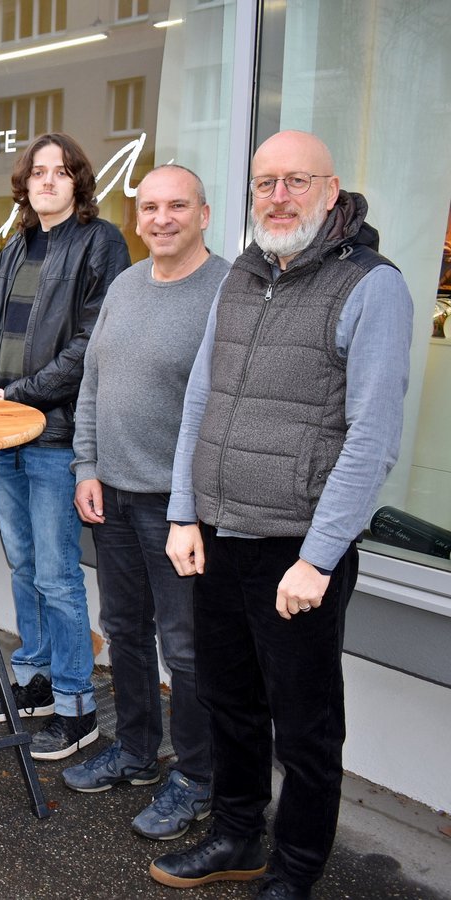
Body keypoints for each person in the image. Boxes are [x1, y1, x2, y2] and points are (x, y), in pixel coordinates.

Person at [151, 131, 412, 899]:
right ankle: (237, 836)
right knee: (227, 700)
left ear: (332, 191)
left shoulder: (372, 285)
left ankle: (296, 870)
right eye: (265, 183)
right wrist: (183, 512)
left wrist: (320, 557)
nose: (278, 196)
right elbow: (202, 399)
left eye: (296, 181)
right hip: (219, 536)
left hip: (296, 549)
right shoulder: (244, 273)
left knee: (304, 728)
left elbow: (373, 436)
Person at [64, 165, 229, 839]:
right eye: (150, 207)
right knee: (126, 630)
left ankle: (197, 776)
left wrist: (188, 506)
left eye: (177, 206)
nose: (161, 218)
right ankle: (135, 752)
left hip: (179, 507)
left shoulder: (226, 291)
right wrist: (86, 465)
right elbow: (93, 386)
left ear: (204, 214)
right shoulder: (126, 285)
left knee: (187, 649)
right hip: (115, 495)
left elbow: (220, 408)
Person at [0, 133, 130, 758]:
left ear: (78, 181)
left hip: (55, 436)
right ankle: (35, 678)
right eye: (37, 173)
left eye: (60, 172)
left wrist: (24, 394)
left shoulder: (101, 242)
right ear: (25, 184)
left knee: (59, 575)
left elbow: (93, 340)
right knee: (24, 565)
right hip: (4, 429)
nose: (47, 182)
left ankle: (76, 704)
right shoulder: (14, 247)